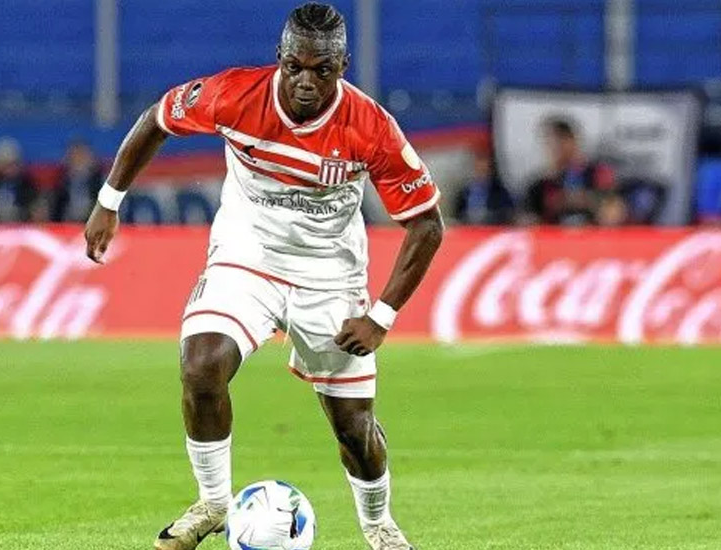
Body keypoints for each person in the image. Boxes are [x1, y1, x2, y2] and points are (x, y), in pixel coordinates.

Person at [83, 4, 442, 549]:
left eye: (322, 70)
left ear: (342, 66)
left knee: (354, 428)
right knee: (201, 365)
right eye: (295, 66)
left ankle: (378, 525)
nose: (305, 81)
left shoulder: (371, 127)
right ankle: (211, 504)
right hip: (246, 256)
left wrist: (381, 317)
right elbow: (157, 119)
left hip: (329, 274)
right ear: (279, 58)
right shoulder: (234, 95)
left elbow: (427, 225)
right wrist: (109, 201)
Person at [522, 117, 614, 226]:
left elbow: (613, 210)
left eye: (561, 140)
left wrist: (585, 200)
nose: (555, 147)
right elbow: (526, 220)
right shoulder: (538, 186)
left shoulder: (597, 173)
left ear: (573, 140)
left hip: (593, 233)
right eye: (549, 142)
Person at [453, 151, 514, 225]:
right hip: (469, 228)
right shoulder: (464, 193)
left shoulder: (500, 192)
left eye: (484, 169)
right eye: (479, 169)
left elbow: (507, 213)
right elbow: (457, 216)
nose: (481, 173)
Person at [51, 139, 105, 222]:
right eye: (74, 157)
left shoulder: (100, 181)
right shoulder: (61, 182)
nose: (78, 161)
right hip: (67, 224)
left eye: (81, 157)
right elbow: (57, 209)